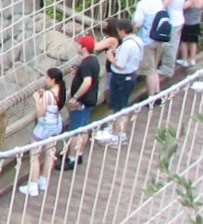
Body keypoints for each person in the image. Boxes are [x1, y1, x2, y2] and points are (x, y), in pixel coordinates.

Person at [94, 19, 144, 146]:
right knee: (124, 105)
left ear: (122, 31)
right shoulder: (137, 40)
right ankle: (122, 134)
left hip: (121, 77)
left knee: (118, 108)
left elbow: (120, 64)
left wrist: (111, 58)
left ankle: (115, 137)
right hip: (131, 74)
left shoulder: (127, 45)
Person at [19, 67, 67, 197]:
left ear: (52, 79)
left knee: (34, 155)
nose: (46, 79)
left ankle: (33, 185)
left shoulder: (48, 95)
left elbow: (41, 112)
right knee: (50, 152)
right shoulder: (61, 91)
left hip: (45, 126)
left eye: (47, 78)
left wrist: (37, 99)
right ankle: (43, 181)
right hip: (56, 124)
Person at [60, 34, 101, 171]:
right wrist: (77, 74)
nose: (77, 46)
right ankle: (79, 154)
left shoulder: (86, 63)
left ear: (83, 48)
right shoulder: (93, 60)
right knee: (84, 127)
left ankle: (72, 158)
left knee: (75, 130)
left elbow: (87, 82)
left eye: (79, 44)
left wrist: (75, 97)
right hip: (90, 99)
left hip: (82, 101)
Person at [131, 0, 165, 97]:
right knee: (154, 67)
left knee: (149, 71)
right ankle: (157, 92)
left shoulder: (142, 4)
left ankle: (151, 97)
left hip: (147, 40)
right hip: (159, 37)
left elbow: (138, 24)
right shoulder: (158, 0)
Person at [157, 0, 188, 83]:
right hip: (180, 19)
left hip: (173, 21)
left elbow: (164, 5)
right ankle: (169, 67)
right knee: (174, 44)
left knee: (170, 46)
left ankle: (167, 69)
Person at [178, 0, 203, 68]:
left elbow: (182, 7)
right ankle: (192, 59)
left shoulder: (191, 0)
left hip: (188, 24)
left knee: (184, 42)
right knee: (193, 42)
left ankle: (185, 60)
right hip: (196, 24)